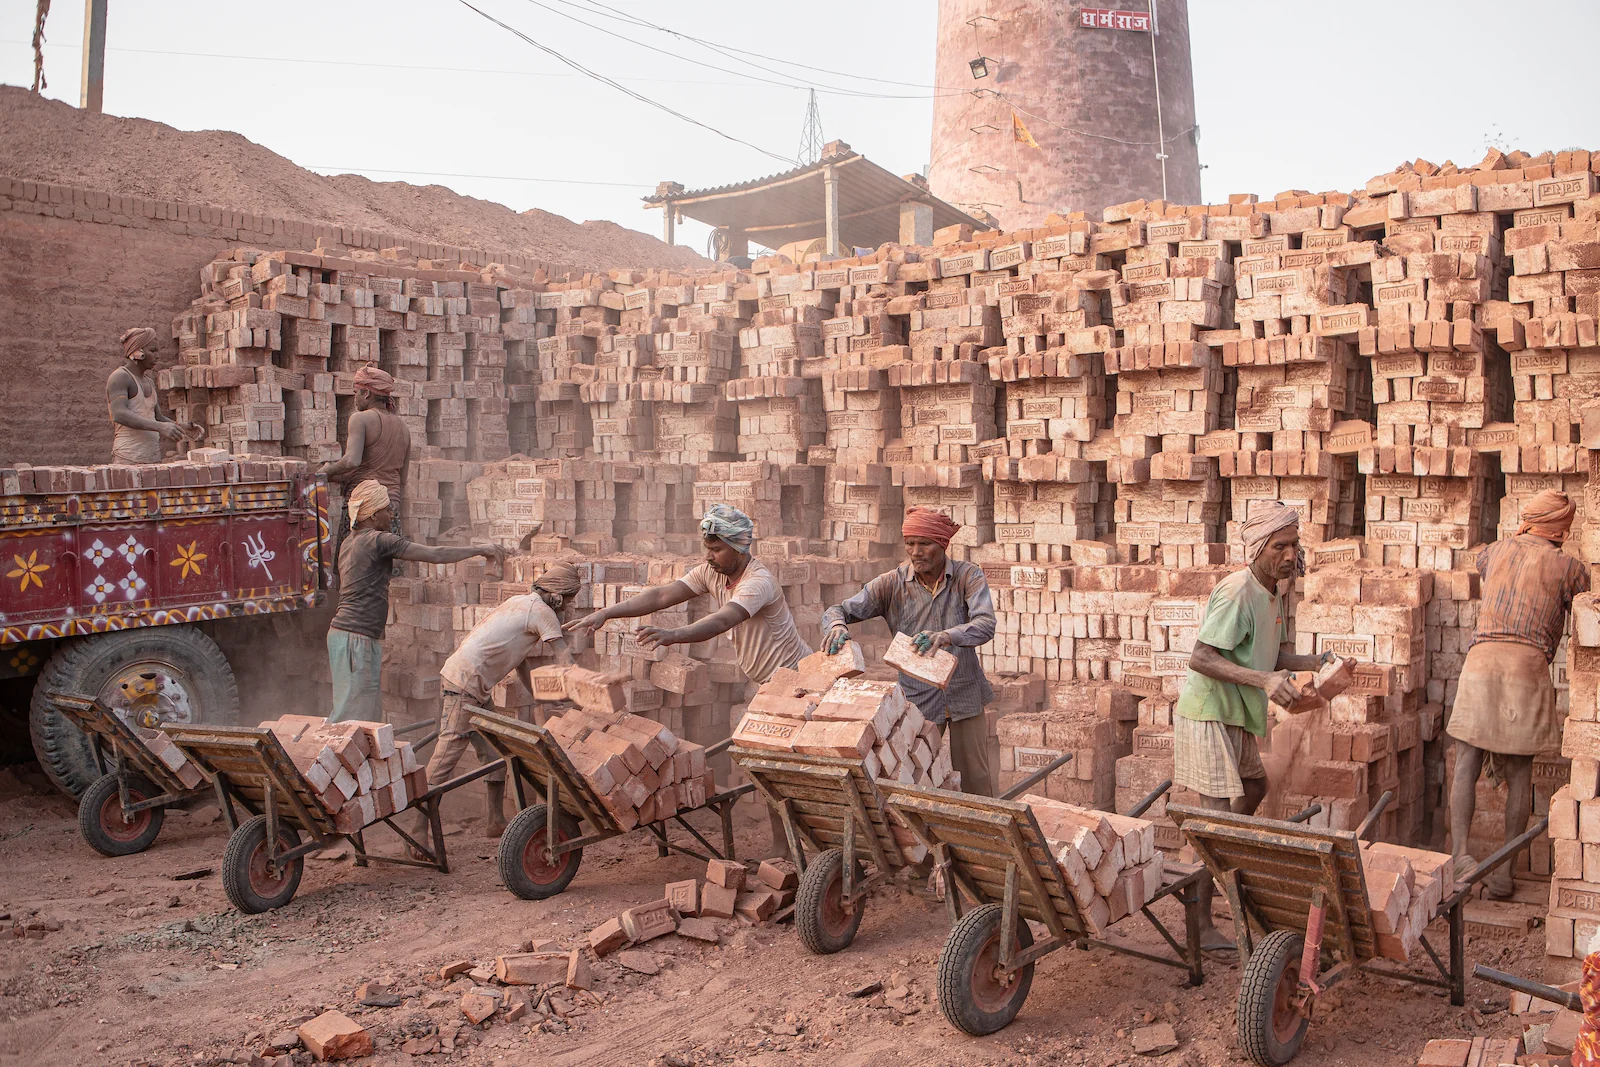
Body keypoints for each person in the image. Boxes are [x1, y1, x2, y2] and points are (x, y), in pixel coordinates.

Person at [564, 504, 811, 855]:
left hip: (796, 684)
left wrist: (674, 635)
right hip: (768, 685)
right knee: (765, 764)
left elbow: (723, 620)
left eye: (716, 549)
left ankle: (789, 849)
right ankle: (784, 848)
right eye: (707, 548)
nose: (708, 556)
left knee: (774, 766)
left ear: (739, 547)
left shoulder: (758, 582)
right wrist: (606, 612)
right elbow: (662, 595)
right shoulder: (713, 573)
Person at [1174, 501, 1334, 952]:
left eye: (1294, 545)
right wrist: (1264, 681)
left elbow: (1271, 653)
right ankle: (1201, 926)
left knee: (1255, 788)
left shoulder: (1274, 592)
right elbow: (1201, 658)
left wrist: (1316, 662)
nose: (1289, 555)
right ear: (1259, 548)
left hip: (1236, 715)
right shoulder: (1237, 592)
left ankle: (1221, 853)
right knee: (1216, 821)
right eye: (1279, 546)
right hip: (1208, 714)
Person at [1448, 488, 1589, 898]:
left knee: (1466, 763)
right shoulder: (1569, 567)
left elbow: (1487, 569)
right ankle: (1504, 871)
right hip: (1525, 668)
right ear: (1561, 531)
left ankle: (1460, 855)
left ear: (1528, 521)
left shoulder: (1493, 552)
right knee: (1519, 772)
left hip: (1480, 661)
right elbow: (1584, 609)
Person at [821, 508, 998, 797]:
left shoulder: (968, 576)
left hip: (965, 693)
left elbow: (985, 625)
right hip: (918, 701)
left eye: (924, 543)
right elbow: (837, 610)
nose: (916, 552)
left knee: (975, 779)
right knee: (918, 781)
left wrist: (946, 636)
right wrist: (837, 626)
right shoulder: (892, 583)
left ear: (942, 544)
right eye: (910, 543)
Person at [411, 562, 583, 842]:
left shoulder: (520, 603)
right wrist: (585, 691)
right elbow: (563, 656)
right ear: (556, 595)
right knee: (444, 760)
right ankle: (418, 830)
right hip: (465, 685)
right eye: (568, 599)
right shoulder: (544, 613)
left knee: (496, 755)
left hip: (471, 685)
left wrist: (540, 698)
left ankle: (495, 821)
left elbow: (520, 663)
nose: (568, 606)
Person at [328, 480, 503, 722]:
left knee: (365, 718)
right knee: (351, 718)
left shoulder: (350, 542)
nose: (391, 515)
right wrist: (480, 549)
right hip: (356, 640)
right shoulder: (379, 540)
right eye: (387, 510)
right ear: (374, 515)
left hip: (348, 637)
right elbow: (436, 554)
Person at [321, 364, 412, 539]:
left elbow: (352, 461)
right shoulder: (404, 428)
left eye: (356, 392)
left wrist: (326, 471)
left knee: (352, 555)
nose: (354, 399)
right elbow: (402, 479)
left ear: (367, 393)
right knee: (388, 555)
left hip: (363, 508)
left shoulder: (360, 419)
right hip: (390, 507)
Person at [107, 327, 198, 463]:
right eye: (153, 351)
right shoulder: (120, 377)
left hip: (152, 457)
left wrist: (182, 428)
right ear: (138, 352)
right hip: (128, 457)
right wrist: (160, 427)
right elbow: (119, 414)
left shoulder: (149, 381)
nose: (157, 356)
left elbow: (157, 417)